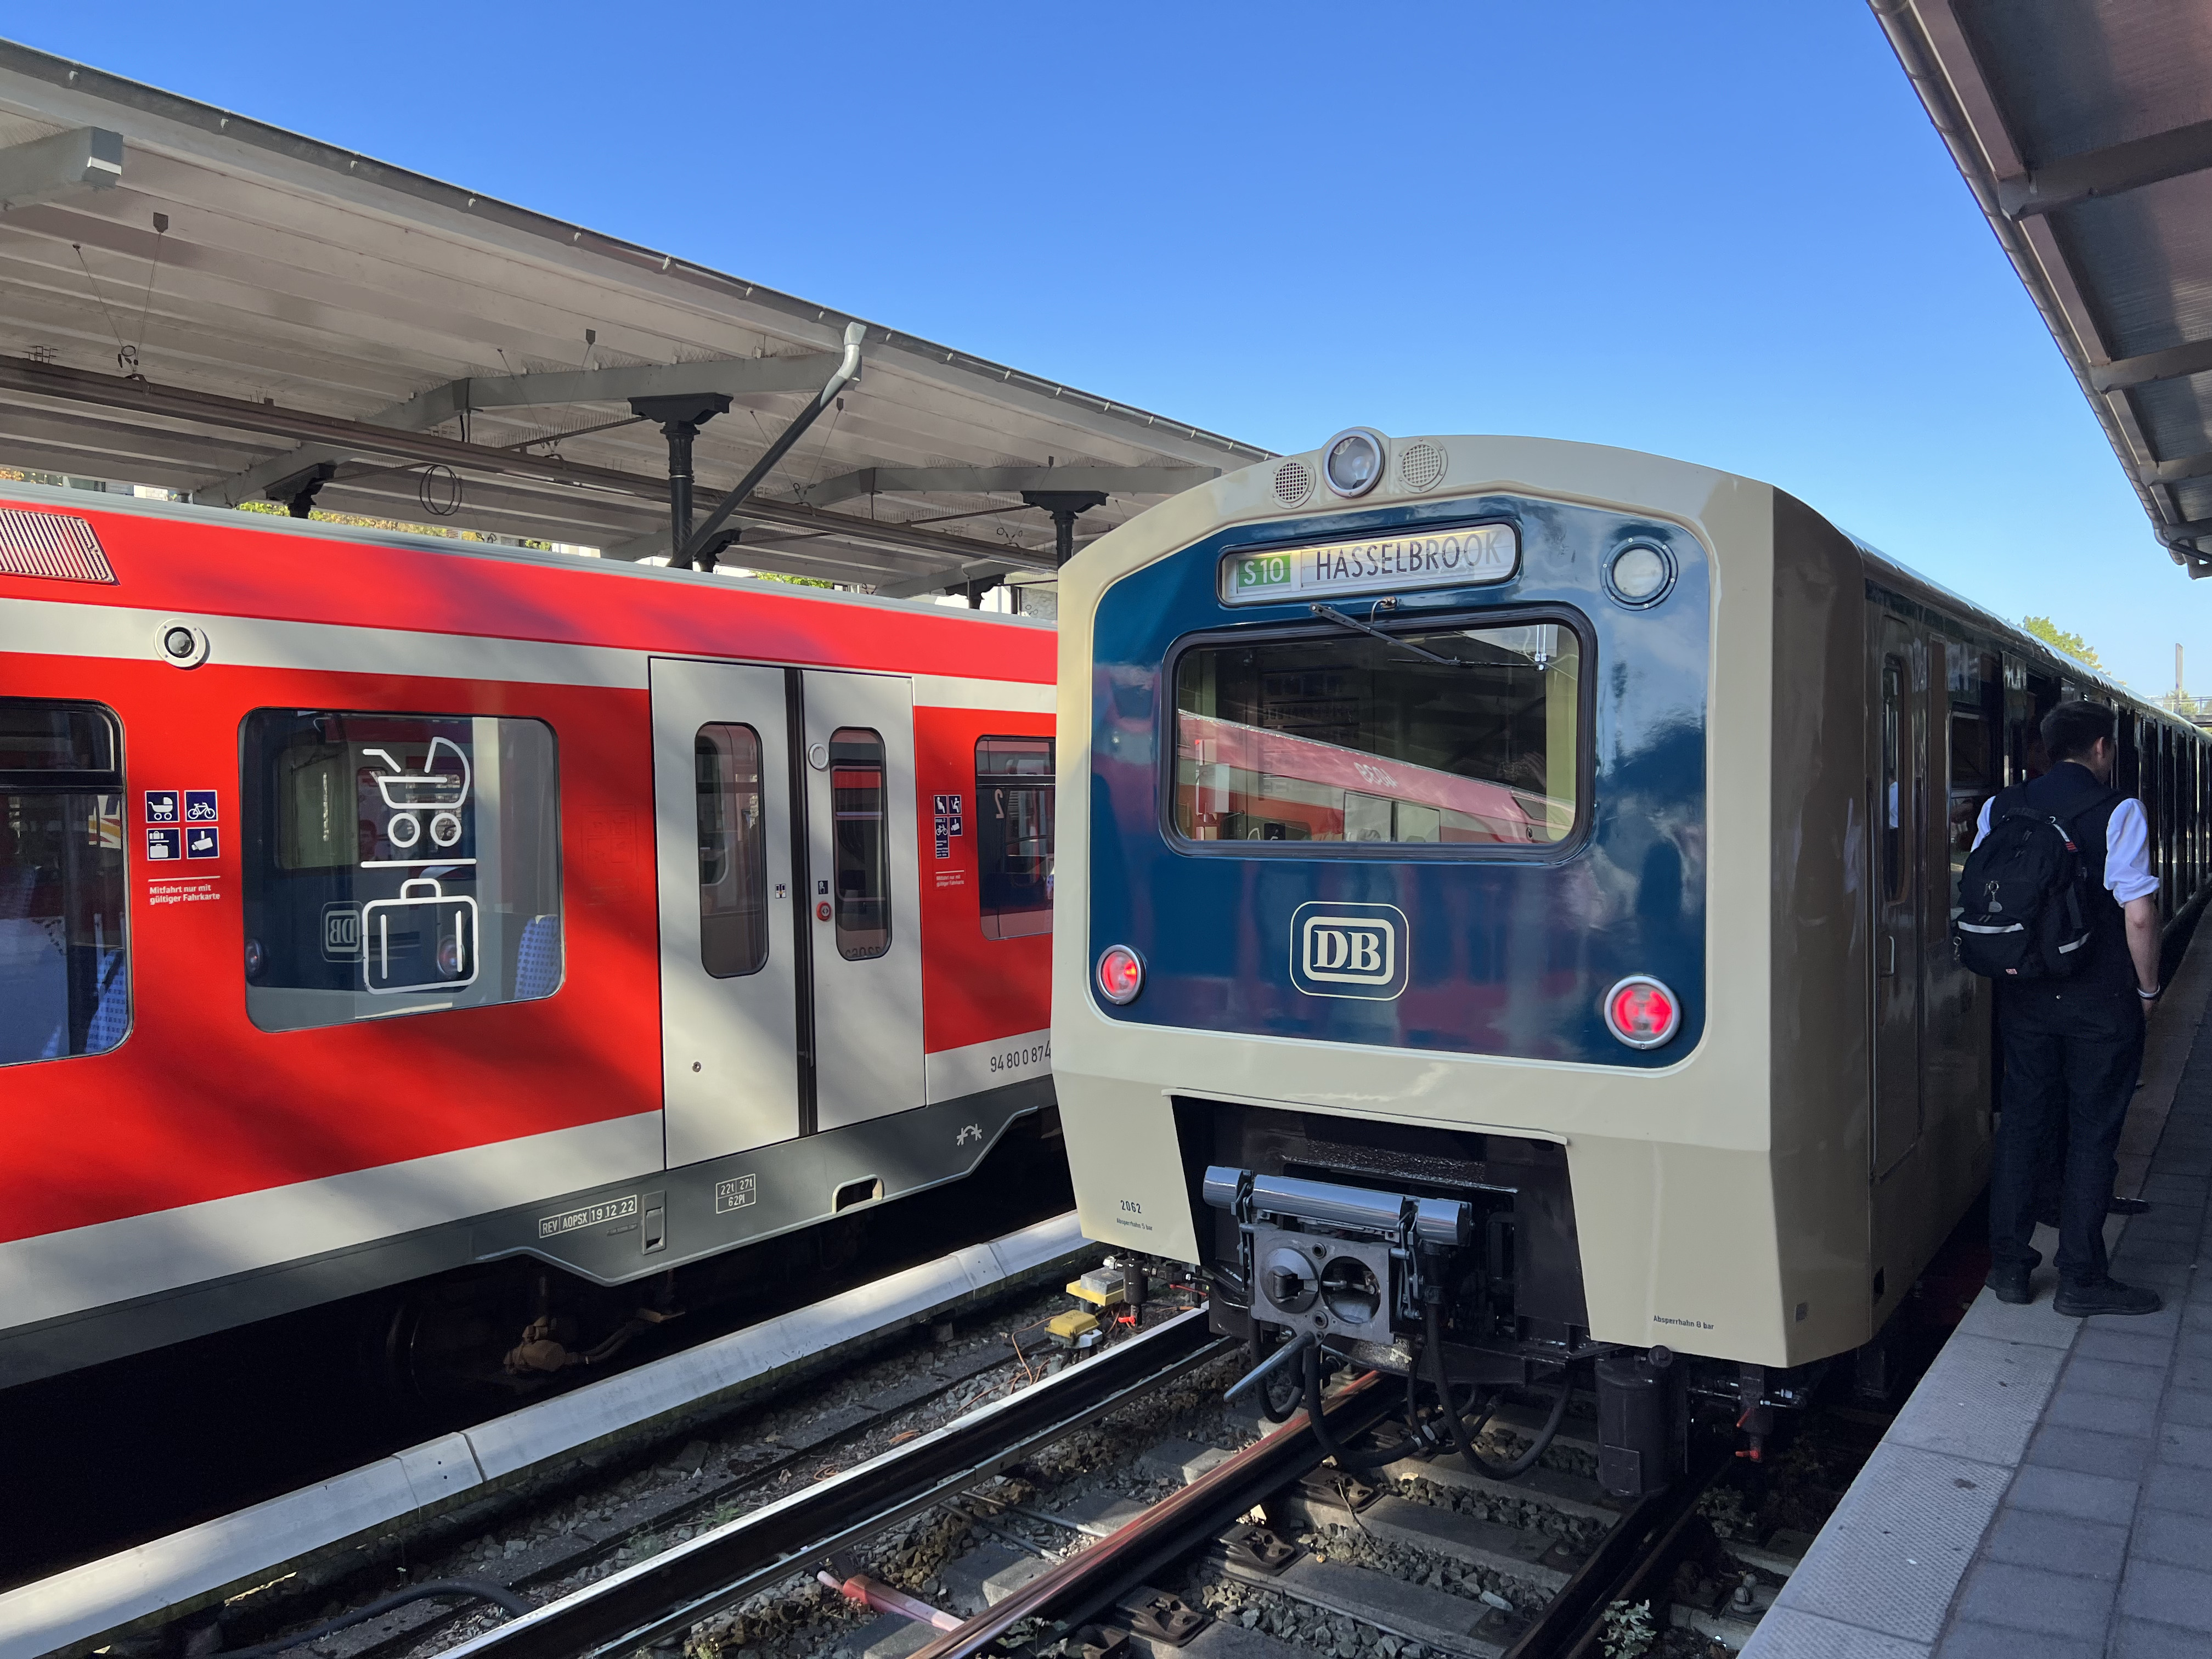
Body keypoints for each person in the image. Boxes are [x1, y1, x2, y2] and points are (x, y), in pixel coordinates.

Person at [1977, 701, 2164, 1317]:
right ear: (2102, 748)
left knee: (2022, 1125)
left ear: (2048, 746)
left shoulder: (2000, 807)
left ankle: (2009, 1268)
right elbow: (2139, 914)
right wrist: (2148, 991)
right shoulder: (2119, 810)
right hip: (2099, 1000)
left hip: (2025, 995)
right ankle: (2081, 1278)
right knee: (2092, 1131)